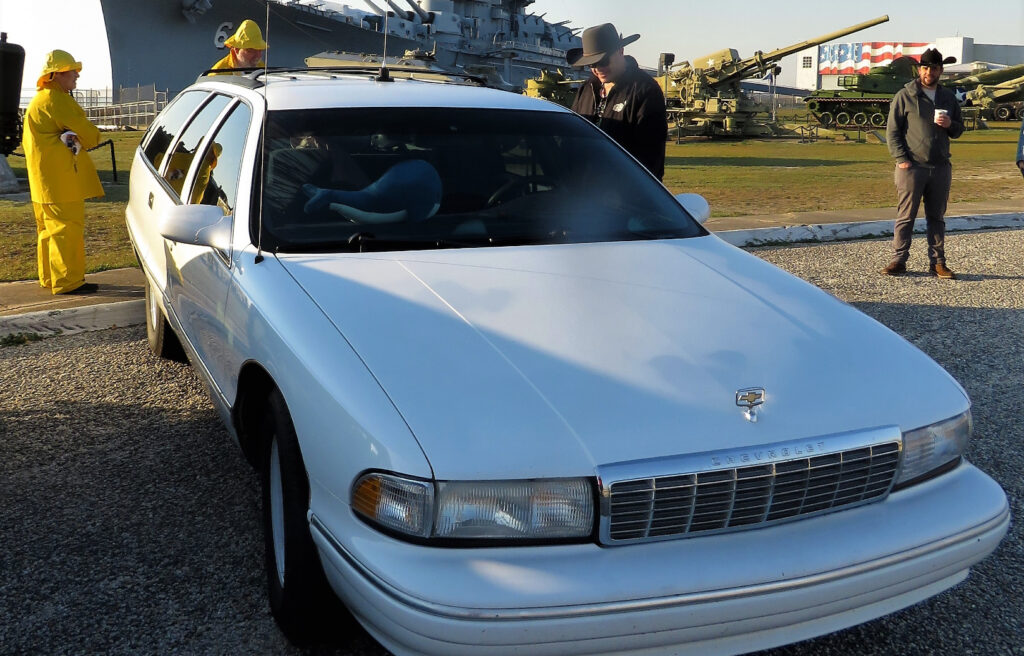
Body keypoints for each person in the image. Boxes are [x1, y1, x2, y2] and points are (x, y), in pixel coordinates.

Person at [21, 50, 105, 295]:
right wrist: (91, 135)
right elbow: (88, 134)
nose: (77, 75)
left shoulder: (39, 101)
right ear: (56, 75)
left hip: (43, 181)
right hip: (61, 181)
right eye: (72, 71)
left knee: (48, 230)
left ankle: (50, 278)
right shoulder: (58, 100)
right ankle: (68, 282)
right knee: (66, 229)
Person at [882, 48, 964, 279]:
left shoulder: (947, 97)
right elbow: (893, 131)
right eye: (925, 67)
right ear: (920, 69)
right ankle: (899, 260)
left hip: (940, 167)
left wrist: (950, 124)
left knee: (936, 218)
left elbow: (959, 129)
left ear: (941, 71)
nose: (929, 72)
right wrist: (902, 160)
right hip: (912, 167)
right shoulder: (905, 95)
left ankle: (938, 263)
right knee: (906, 216)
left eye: (934, 68)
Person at [567, 23, 668, 181]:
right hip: (585, 192)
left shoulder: (645, 90)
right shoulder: (586, 89)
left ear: (621, 51)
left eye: (604, 60)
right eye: (592, 63)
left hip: (627, 193)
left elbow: (650, 157)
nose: (598, 68)